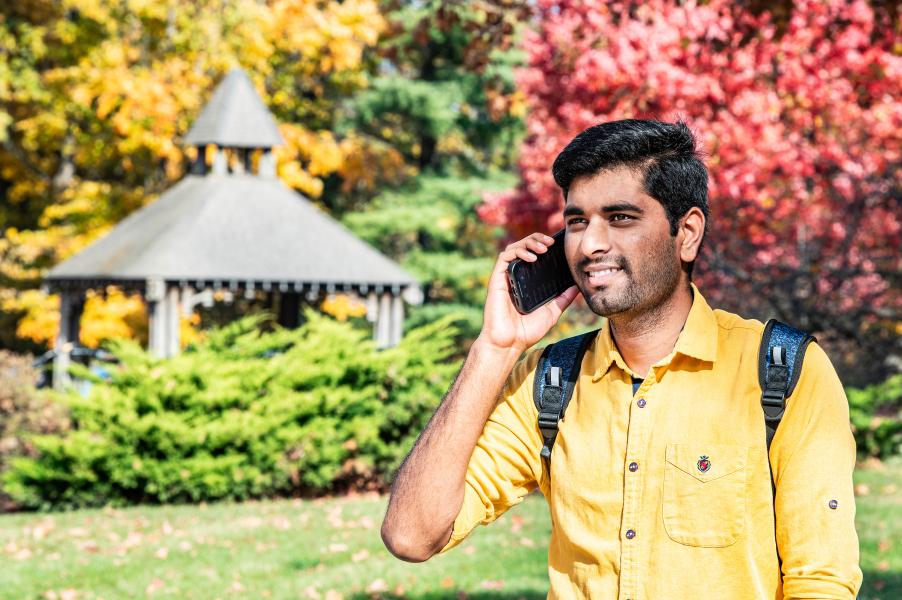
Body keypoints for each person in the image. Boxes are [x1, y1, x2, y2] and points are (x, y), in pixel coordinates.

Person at [380, 119, 862, 599]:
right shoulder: (550, 383)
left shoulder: (782, 372)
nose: (590, 245)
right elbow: (411, 535)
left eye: (621, 218)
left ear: (687, 233)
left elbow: (820, 583)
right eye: (577, 221)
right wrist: (495, 348)